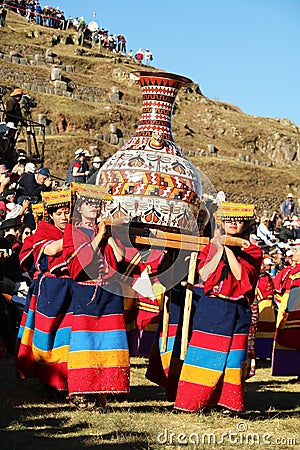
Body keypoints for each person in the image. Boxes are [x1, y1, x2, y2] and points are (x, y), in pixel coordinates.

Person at [146, 202, 262, 413]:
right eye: (228, 220)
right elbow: (206, 275)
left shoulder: (252, 251)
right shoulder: (210, 248)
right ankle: (191, 403)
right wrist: (218, 248)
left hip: (238, 310)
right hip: (212, 307)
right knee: (203, 356)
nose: (233, 224)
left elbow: (241, 276)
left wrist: (230, 250)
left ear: (246, 224)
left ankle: (227, 404)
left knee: (232, 360)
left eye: (238, 220)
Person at [62, 184, 130, 409]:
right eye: (89, 203)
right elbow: (80, 259)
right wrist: (100, 234)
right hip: (86, 291)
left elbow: (119, 259)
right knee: (86, 343)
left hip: (109, 291)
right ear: (79, 208)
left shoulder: (107, 230)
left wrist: (109, 235)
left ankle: (103, 394)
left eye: (97, 204)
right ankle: (82, 392)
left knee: (108, 343)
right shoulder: (73, 231)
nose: (94, 207)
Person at [16, 190, 72, 392]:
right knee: (48, 335)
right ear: (51, 215)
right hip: (50, 290)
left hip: (73, 291)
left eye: (67, 212)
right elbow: (51, 250)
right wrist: (82, 235)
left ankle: (69, 380)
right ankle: (49, 379)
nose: (64, 217)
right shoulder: (44, 232)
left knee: (69, 336)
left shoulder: (76, 230)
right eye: (59, 213)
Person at [272, 244, 300, 379]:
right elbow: (277, 287)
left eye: (296, 251)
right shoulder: (288, 271)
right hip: (290, 305)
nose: (293, 254)